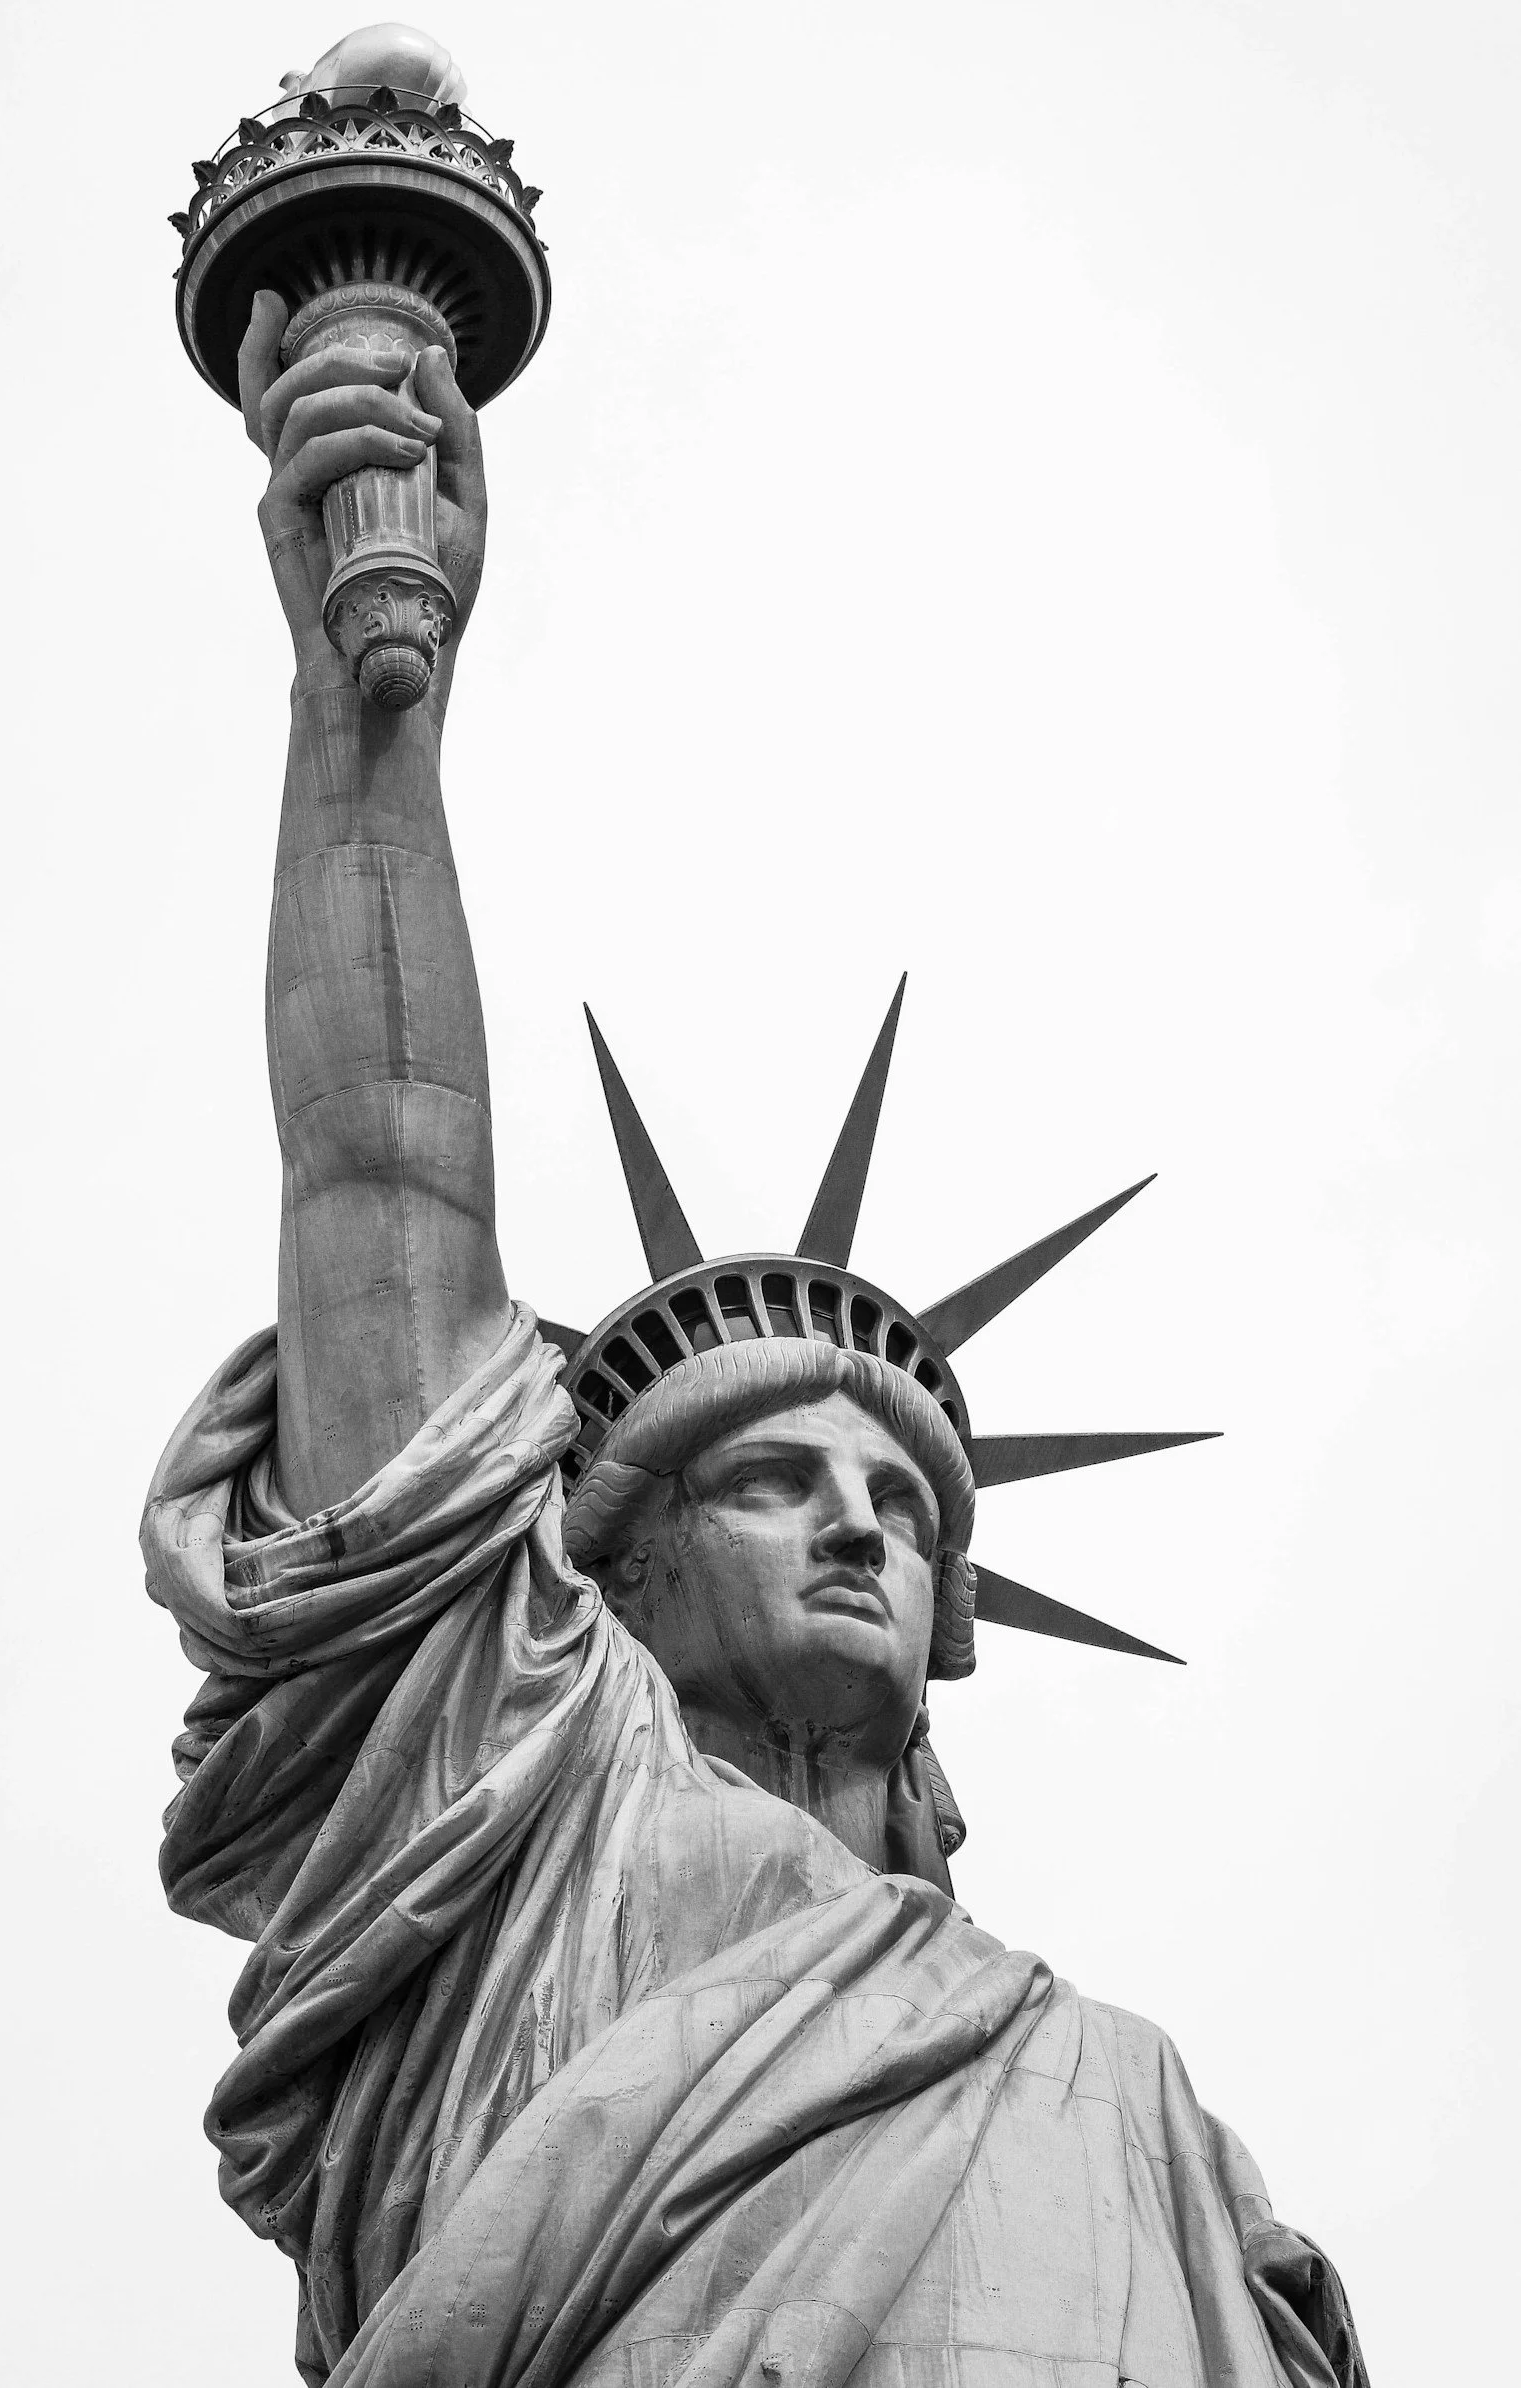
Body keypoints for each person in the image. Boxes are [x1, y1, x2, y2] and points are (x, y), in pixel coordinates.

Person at [142, 296, 1368, 2388]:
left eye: (899, 1501)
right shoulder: (522, 1821)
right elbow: (382, 1174)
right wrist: (365, 698)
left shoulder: (1132, 2102)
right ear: (602, 1559)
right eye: (776, 1476)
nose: (857, 1525)